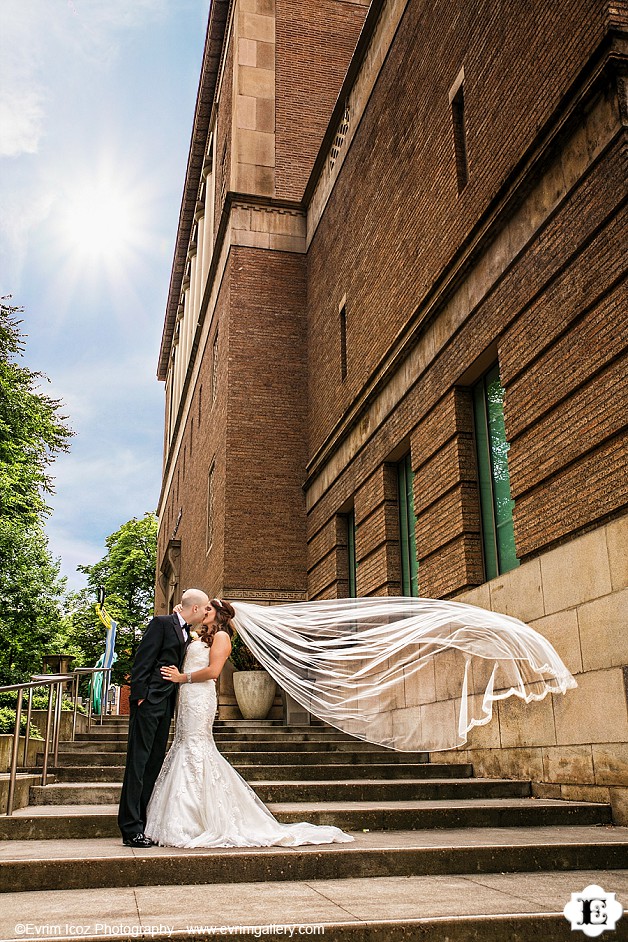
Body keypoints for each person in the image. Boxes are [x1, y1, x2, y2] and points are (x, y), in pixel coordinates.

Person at [144, 598, 355, 848]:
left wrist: (182, 677)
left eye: (209, 609)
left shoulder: (222, 637)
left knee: (196, 747)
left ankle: (195, 819)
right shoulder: (198, 636)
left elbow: (213, 671)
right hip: (187, 698)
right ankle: (185, 815)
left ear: (220, 615)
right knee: (184, 745)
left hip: (200, 696)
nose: (204, 612)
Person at [117, 588, 209, 847]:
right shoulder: (161, 623)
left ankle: (144, 822)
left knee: (154, 761)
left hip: (167, 703)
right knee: (138, 763)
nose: (204, 614)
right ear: (194, 609)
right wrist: (139, 697)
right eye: (203, 609)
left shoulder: (185, 631)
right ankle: (130, 828)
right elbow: (142, 660)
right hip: (149, 702)